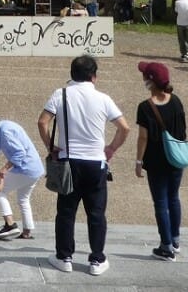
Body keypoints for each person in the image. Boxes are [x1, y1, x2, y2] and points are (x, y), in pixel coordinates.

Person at [37, 55, 131, 276]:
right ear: (94, 76)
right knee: (96, 213)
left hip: (68, 162)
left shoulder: (60, 95)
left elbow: (42, 121)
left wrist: (50, 147)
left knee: (66, 212)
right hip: (95, 163)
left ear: (72, 74)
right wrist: (111, 149)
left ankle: (64, 257)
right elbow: (124, 128)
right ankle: (97, 259)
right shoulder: (104, 98)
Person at [134, 61, 188, 261]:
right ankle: (175, 239)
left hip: (156, 161)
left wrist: (138, 161)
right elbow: (182, 130)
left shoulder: (145, 107)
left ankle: (165, 247)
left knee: (160, 202)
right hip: (176, 158)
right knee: (173, 197)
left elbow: (143, 137)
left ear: (150, 81)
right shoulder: (176, 101)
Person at [0, 110, 45, 240]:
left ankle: (10, 224)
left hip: (26, 169)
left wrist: (4, 169)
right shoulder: (2, 129)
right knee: (23, 199)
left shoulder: (5, 132)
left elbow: (20, 153)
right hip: (35, 170)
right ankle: (27, 232)